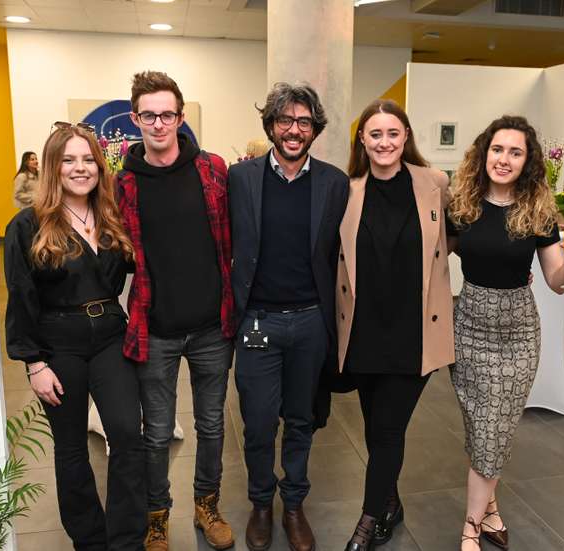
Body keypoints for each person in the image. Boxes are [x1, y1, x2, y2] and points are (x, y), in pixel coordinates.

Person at [446, 115, 564, 550]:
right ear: (483, 152)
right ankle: (490, 510)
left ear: (526, 162)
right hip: (468, 326)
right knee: (481, 426)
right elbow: (434, 259)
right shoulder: (462, 205)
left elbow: (555, 281)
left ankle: (470, 527)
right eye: (497, 149)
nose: (503, 159)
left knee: (495, 426)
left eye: (515, 152)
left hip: (517, 334)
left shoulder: (538, 211)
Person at [4, 124, 146, 550]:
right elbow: (22, 296)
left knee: (126, 434)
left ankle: (126, 540)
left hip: (109, 338)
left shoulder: (111, 217)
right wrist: (34, 363)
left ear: (99, 168)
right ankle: (90, 540)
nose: (80, 168)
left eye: (88, 160)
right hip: (57, 344)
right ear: (53, 167)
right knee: (70, 450)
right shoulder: (28, 225)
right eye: (69, 160)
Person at [117, 71, 235, 551]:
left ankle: (207, 506)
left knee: (211, 426)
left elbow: (234, 237)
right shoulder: (121, 184)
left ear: (181, 117)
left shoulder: (212, 170)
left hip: (212, 327)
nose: (159, 123)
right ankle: (157, 516)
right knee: (158, 433)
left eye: (168, 114)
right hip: (155, 329)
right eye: (149, 115)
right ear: (135, 119)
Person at [229, 82, 349, 551]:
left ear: (314, 130)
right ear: (271, 126)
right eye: (285, 120)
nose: (294, 130)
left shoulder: (334, 183)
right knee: (258, 423)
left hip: (310, 323)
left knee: (302, 420)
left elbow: (346, 253)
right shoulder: (242, 179)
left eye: (303, 122)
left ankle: (294, 505)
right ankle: (261, 503)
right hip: (256, 322)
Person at [335, 99, 455, 551]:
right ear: (362, 141)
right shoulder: (347, 191)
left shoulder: (435, 184)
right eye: (375, 134)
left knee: (388, 429)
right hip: (364, 332)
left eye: (393, 133)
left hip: (415, 333)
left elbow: (464, 234)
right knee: (375, 427)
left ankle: (367, 523)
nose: (384, 142)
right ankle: (390, 502)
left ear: (406, 137)